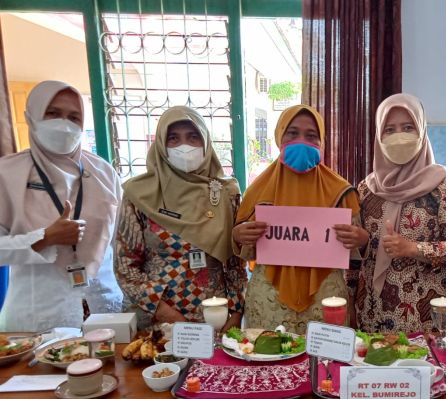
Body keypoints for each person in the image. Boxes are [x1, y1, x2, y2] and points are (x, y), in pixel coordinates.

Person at [232, 104, 367, 334]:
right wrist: (239, 234)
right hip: (269, 298)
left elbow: (356, 251)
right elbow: (239, 243)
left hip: (326, 298)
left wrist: (361, 238)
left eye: (311, 136)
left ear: (321, 142)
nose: (302, 141)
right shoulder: (258, 190)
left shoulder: (341, 191)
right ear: (279, 137)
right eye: (292, 133)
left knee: (324, 365)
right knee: (271, 362)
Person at [0, 80, 122, 332]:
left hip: (103, 307)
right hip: (39, 315)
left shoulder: (103, 173)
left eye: (73, 117)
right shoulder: (8, 174)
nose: (64, 125)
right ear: (32, 116)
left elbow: (118, 241)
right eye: (53, 113)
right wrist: (44, 238)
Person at [348, 93, 446, 334]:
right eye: (390, 130)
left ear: (422, 131)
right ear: (378, 135)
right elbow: (356, 257)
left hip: (422, 316)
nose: (399, 137)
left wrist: (413, 248)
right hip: (370, 312)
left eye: (408, 127)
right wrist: (350, 298)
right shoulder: (366, 189)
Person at [115, 106, 246, 330]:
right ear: (161, 145)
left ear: (205, 142)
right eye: (173, 138)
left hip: (216, 319)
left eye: (193, 137)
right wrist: (167, 314)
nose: (184, 146)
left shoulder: (226, 192)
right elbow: (125, 266)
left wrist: (236, 310)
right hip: (160, 323)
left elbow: (236, 263)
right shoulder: (140, 194)